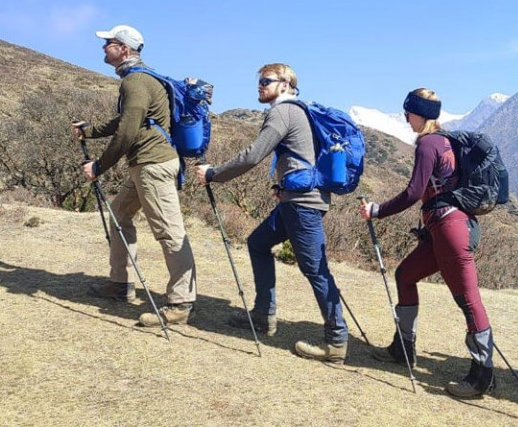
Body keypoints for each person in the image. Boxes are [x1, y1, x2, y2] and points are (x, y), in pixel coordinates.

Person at [194, 63, 349, 362]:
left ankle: (336, 342)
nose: (260, 86)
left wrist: (214, 173)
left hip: (302, 204)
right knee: (258, 243)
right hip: (296, 199)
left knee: (315, 270)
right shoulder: (297, 111)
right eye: (260, 81)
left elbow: (253, 155)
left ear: (286, 84)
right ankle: (264, 315)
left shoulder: (283, 111)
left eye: (267, 81)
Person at [359, 88, 496, 399]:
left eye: (408, 113)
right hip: (446, 228)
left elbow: (413, 192)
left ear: (420, 114)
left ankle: (481, 376)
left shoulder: (428, 145)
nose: (406, 118)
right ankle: (402, 349)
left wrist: (377, 210)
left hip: (449, 229)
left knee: (468, 298)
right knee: (405, 275)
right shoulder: (448, 142)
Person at [74, 24, 197, 327]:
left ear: (124, 49)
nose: (104, 48)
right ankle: (119, 284)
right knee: (119, 215)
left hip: (151, 167)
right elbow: (127, 120)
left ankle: (181, 303)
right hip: (147, 166)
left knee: (169, 232)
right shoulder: (141, 79)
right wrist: (90, 132)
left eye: (110, 43)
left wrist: (99, 166)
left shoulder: (136, 82)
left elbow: (128, 131)